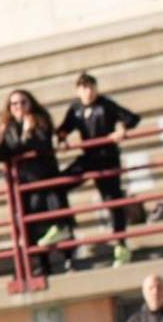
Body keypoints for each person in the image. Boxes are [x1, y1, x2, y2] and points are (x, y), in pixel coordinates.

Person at [57, 72, 142, 268]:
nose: (88, 92)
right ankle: (66, 228)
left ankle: (121, 244)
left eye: (91, 87)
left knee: (112, 200)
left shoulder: (106, 104)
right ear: (77, 90)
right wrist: (62, 140)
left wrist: (120, 129)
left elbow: (132, 118)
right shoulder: (75, 108)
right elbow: (63, 129)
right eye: (84, 88)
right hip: (88, 158)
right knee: (59, 185)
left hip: (107, 159)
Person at [0, 88, 69, 278]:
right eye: (14, 104)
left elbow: (42, 145)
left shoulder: (41, 120)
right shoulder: (8, 127)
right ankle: (42, 266)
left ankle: (69, 260)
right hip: (24, 184)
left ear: (30, 103)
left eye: (23, 102)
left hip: (45, 180)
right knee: (33, 229)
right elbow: (2, 155)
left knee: (56, 225)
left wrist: (27, 135)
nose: (19, 107)